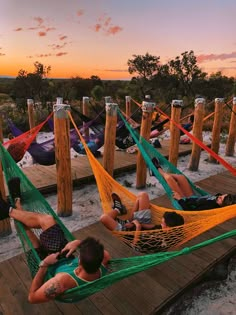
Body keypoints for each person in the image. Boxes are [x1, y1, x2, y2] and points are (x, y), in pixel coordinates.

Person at [0, 177, 110, 304]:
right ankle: (12, 207)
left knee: (28, 235)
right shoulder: (102, 262)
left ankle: (12, 207)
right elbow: (100, 252)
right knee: (47, 219)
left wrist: (45, 264)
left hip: (43, 266)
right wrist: (78, 243)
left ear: (80, 263)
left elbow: (32, 297)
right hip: (61, 255)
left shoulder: (60, 283)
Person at [151, 157, 236, 210]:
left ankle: (158, 169)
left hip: (185, 203)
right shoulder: (220, 199)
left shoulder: (210, 207)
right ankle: (157, 173)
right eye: (222, 196)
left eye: (220, 199)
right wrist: (200, 190)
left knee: (169, 179)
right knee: (181, 177)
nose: (219, 197)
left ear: (222, 206)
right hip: (193, 198)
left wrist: (180, 199)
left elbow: (192, 212)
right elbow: (208, 198)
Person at [100, 192, 184, 232]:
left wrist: (137, 226)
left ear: (168, 228)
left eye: (163, 223)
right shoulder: (164, 228)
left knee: (104, 218)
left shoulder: (160, 240)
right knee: (143, 195)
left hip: (129, 233)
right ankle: (128, 220)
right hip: (136, 225)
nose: (161, 224)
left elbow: (135, 244)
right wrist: (134, 223)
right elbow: (152, 226)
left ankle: (118, 209)